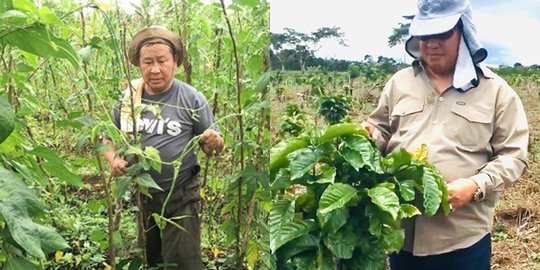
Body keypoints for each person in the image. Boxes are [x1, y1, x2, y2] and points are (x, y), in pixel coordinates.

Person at [363, 0, 529, 269]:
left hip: (462, 241)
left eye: (442, 34)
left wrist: (476, 186)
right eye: (425, 36)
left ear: (463, 32)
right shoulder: (400, 83)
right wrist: (369, 137)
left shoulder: (496, 92)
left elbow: (514, 155)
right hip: (401, 237)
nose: (432, 43)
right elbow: (381, 129)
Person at [102, 26, 224, 269]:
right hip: (143, 196)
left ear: (175, 62)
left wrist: (214, 141)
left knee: (183, 261)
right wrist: (113, 160)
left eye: (162, 61)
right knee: (151, 256)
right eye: (147, 62)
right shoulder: (129, 100)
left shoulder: (191, 98)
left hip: (181, 194)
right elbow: (106, 138)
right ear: (138, 64)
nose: (154, 69)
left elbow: (213, 144)